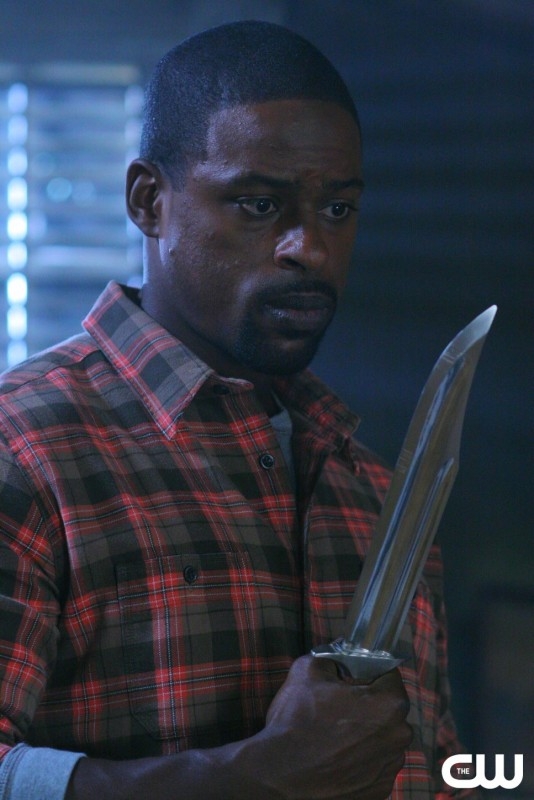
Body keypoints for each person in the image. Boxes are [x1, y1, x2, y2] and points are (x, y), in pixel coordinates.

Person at [0, 20, 475, 800]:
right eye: (259, 205)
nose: (309, 249)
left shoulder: (371, 489)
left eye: (338, 210)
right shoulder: (24, 449)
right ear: (149, 202)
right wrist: (252, 780)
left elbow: (440, 766)